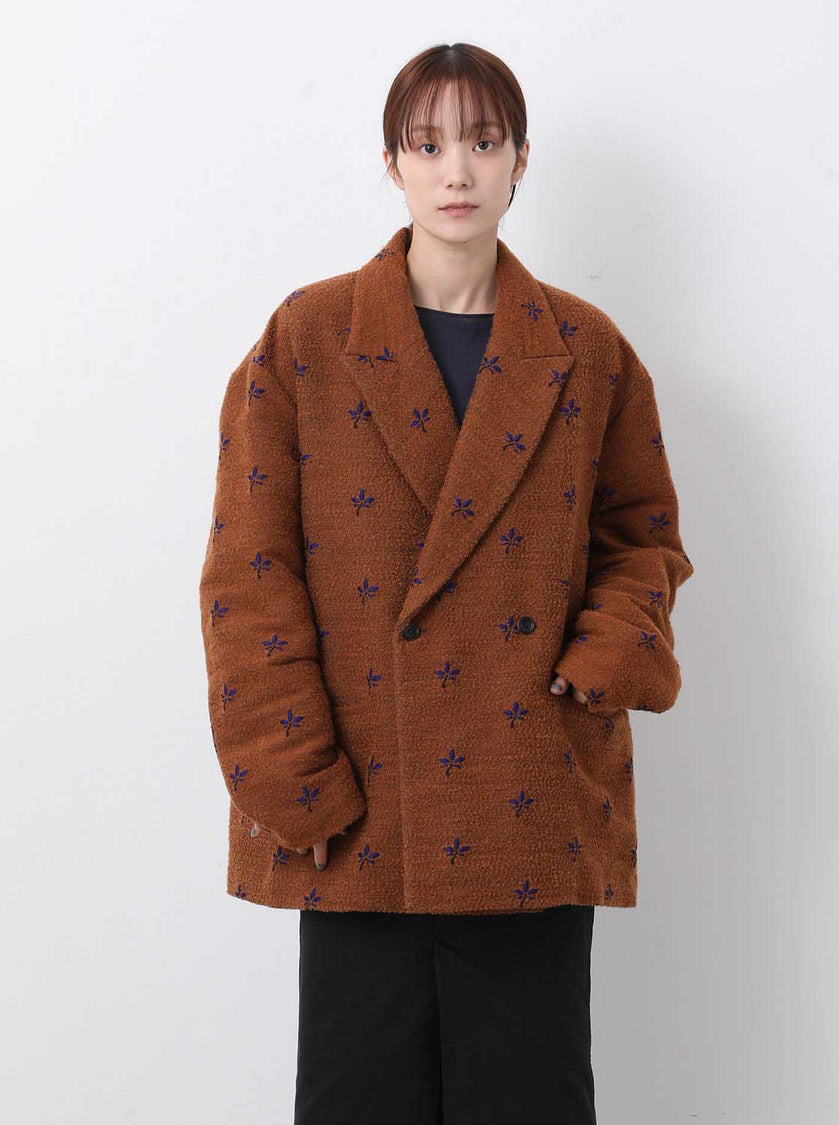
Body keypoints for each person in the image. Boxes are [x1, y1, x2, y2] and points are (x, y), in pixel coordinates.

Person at [198, 41, 694, 1125]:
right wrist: (289, 771)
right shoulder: (307, 339)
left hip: (528, 786)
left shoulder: (589, 351)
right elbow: (248, 570)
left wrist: (603, 657)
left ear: (520, 159)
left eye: (482, 140)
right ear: (393, 164)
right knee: (358, 1102)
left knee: (531, 1102)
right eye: (427, 145)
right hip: (358, 801)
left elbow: (643, 537)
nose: (456, 170)